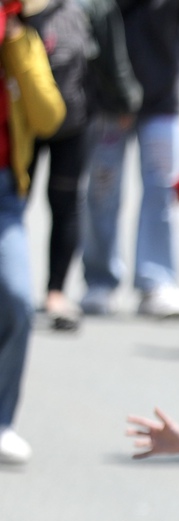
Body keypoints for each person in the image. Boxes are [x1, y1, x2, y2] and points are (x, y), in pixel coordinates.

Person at [80, 0, 179, 321]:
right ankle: (100, 279)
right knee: (102, 192)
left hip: (162, 97)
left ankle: (156, 280)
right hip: (107, 96)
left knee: (162, 191)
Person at [26, 0, 135, 333]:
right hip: (20, 122)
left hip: (75, 119)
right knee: (11, 205)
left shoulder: (93, 5)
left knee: (66, 202)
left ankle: (56, 291)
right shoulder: (16, 8)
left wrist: (125, 98)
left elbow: (111, 56)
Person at [0, 6, 66, 467]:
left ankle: (2, 421)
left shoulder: (18, 34)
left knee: (20, 299)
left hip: (6, 192)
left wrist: (18, 51)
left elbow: (49, 117)